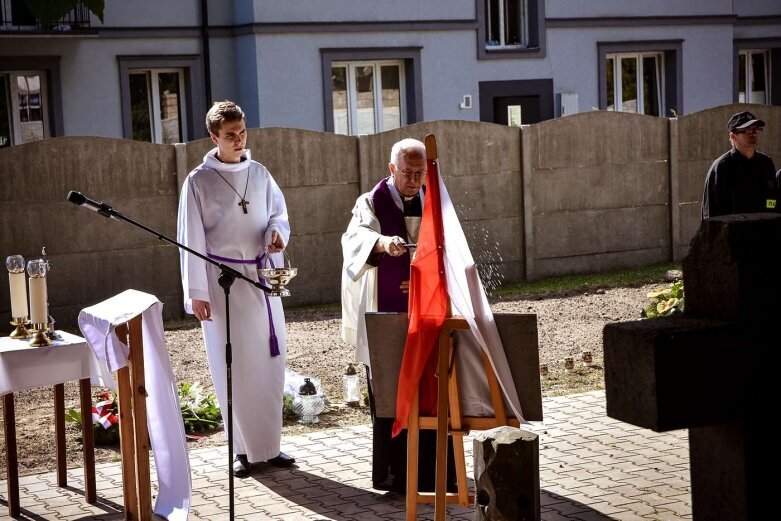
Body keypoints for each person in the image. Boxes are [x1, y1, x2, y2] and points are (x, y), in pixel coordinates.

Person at [177, 100, 295, 478]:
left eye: (242, 132)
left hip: (261, 278)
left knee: (270, 364)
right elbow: (190, 238)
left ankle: (271, 447)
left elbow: (278, 214)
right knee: (234, 366)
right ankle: (241, 451)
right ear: (214, 137)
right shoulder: (199, 180)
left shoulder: (260, 174)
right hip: (222, 283)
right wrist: (197, 291)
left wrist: (275, 235)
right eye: (231, 135)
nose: (239, 140)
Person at [341, 138, 455, 492]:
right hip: (386, 308)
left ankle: (437, 472)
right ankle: (394, 475)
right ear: (393, 169)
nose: (414, 180)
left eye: (420, 172)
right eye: (408, 172)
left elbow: (447, 245)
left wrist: (423, 280)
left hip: (425, 310)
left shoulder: (432, 199)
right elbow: (355, 236)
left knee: (432, 382)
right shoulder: (371, 201)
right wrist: (381, 243)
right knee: (390, 386)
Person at [701, 110, 780, 219]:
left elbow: (775, 205)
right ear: (733, 137)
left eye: (756, 129)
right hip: (734, 234)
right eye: (747, 130)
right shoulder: (721, 168)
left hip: (763, 234)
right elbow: (710, 214)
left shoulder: (766, 164)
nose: (753, 133)